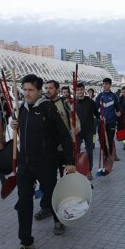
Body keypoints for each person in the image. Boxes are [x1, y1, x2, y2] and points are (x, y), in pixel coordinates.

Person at [10, 74, 76, 249]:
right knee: (23, 201)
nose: (26, 93)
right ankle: (26, 242)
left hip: (46, 162)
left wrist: (70, 161)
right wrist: (14, 123)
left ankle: (58, 220)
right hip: (25, 163)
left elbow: (64, 135)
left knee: (51, 193)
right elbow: (19, 128)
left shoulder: (48, 108)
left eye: (31, 90)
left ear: (39, 91)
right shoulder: (21, 109)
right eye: (24, 90)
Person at [34, 79, 80, 220]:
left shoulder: (65, 104)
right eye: (46, 88)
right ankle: (46, 206)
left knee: (65, 179)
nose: (48, 90)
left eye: (51, 88)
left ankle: (67, 205)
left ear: (58, 90)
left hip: (63, 149)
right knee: (46, 180)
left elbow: (77, 124)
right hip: (47, 150)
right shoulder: (40, 105)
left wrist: (73, 131)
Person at [76, 82, 99, 179]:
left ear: (84, 90)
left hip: (89, 131)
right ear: (75, 91)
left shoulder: (90, 102)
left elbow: (96, 114)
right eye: (77, 90)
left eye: (81, 89)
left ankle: (89, 171)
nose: (80, 91)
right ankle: (77, 170)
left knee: (89, 151)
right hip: (77, 132)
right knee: (76, 151)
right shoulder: (73, 103)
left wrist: (100, 118)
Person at [95, 78, 121, 162]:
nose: (104, 85)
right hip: (101, 122)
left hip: (111, 122)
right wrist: (99, 116)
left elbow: (118, 109)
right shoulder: (99, 96)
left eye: (106, 84)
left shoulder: (114, 96)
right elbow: (95, 109)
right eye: (103, 84)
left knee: (109, 140)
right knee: (102, 141)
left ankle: (108, 156)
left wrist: (119, 113)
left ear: (110, 85)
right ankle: (105, 153)